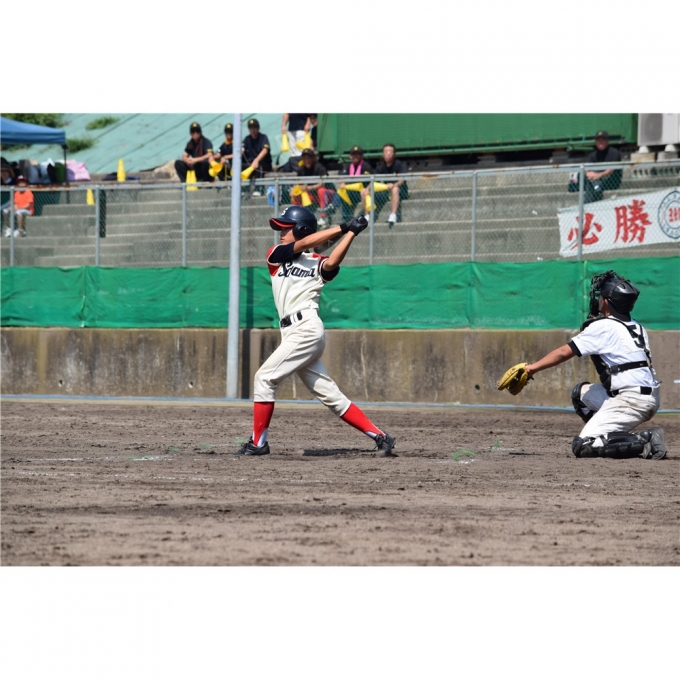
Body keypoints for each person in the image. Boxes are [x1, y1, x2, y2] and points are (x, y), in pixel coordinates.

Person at [234, 206, 396, 457]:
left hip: (306, 329)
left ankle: (258, 443)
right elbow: (304, 244)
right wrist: (344, 226)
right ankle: (381, 437)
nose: (280, 232)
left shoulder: (317, 263)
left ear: (301, 229)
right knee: (329, 394)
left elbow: (332, 263)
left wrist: (351, 233)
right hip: (291, 333)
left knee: (264, 379)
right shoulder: (275, 255)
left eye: (286, 228)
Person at [520, 271, 666, 460]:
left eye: (600, 296)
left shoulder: (603, 326)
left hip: (632, 401)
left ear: (607, 302)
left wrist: (531, 368)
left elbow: (564, 352)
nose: (597, 300)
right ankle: (608, 435)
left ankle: (644, 439)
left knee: (582, 446)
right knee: (581, 394)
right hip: (643, 396)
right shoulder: (636, 326)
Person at [361, 143, 409, 226]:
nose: (388, 154)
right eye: (386, 152)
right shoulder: (381, 166)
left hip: (401, 192)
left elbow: (402, 179)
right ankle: (367, 216)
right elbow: (374, 180)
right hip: (386, 192)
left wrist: (394, 185)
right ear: (383, 154)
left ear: (394, 154)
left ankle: (393, 215)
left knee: (395, 189)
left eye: (390, 152)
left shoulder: (399, 164)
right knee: (363, 191)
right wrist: (368, 189)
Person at [568, 130, 622, 203]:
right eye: (598, 140)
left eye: (603, 140)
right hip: (595, 181)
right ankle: (596, 189)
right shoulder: (593, 154)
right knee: (587, 179)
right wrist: (589, 174)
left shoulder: (614, 152)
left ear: (607, 141)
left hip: (610, 181)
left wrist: (598, 175)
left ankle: (587, 204)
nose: (600, 142)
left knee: (591, 183)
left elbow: (611, 170)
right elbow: (587, 168)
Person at [292, 148, 338, 227]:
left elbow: (323, 183)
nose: (307, 160)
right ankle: (297, 218)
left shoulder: (319, 167)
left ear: (313, 158)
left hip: (329, 194)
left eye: (308, 158)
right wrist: (295, 190)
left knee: (321, 191)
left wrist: (309, 188)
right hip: (313, 196)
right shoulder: (301, 170)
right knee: (296, 194)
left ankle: (324, 217)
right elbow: (299, 184)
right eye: (304, 158)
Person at [337, 145, 373, 221]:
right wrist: (342, 182)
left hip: (361, 193)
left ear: (361, 156)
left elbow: (370, 180)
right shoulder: (348, 166)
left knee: (363, 192)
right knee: (341, 191)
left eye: (358, 154)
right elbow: (342, 176)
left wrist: (367, 189)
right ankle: (343, 215)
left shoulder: (366, 166)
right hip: (351, 192)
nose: (355, 156)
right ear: (350, 156)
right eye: (353, 154)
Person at [241, 118, 272, 196]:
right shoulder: (247, 139)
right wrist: (241, 150)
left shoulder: (263, 137)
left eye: (255, 128)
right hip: (251, 163)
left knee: (259, 167)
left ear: (258, 128)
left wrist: (256, 160)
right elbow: (242, 148)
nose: (253, 130)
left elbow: (265, 150)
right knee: (243, 166)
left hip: (263, 163)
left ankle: (259, 189)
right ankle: (244, 188)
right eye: (251, 128)